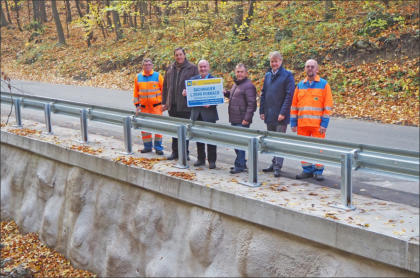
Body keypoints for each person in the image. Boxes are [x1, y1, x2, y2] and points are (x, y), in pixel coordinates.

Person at [290, 59, 333, 181]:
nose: (310, 68)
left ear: (317, 69)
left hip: (317, 125)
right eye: (307, 66)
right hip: (302, 125)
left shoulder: (324, 85)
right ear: (305, 69)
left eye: (312, 66)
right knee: (303, 149)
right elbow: (294, 106)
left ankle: (318, 171)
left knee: (319, 149)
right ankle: (307, 170)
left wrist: (324, 124)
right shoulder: (300, 85)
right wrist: (293, 123)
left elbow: (327, 107)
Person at [259, 51, 295, 177]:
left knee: (279, 141)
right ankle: (273, 163)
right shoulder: (268, 75)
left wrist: (283, 112)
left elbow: (289, 95)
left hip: (280, 115)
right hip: (269, 113)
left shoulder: (287, 75)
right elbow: (263, 93)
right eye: (272, 61)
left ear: (280, 61)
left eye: (276, 61)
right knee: (272, 141)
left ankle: (278, 166)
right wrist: (262, 110)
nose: (274, 63)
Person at [162, 47, 199, 160]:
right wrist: (164, 102)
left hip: (185, 106)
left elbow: (197, 84)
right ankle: (175, 153)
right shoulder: (170, 68)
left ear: (184, 55)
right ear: (174, 56)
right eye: (176, 55)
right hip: (172, 105)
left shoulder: (192, 68)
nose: (179, 57)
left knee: (184, 130)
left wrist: (190, 92)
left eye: (180, 54)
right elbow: (165, 87)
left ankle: (184, 153)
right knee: (175, 130)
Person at [182, 60, 218, 169]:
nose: (203, 69)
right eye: (201, 67)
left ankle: (212, 161)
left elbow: (217, 98)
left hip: (209, 114)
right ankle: (201, 159)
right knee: (198, 138)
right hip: (196, 114)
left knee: (210, 138)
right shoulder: (193, 80)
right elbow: (190, 97)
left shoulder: (214, 81)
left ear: (209, 67)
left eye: (204, 67)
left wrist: (211, 104)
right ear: (198, 68)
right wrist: (185, 94)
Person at [224, 63, 257, 174]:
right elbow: (235, 97)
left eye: (241, 72)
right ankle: (241, 163)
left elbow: (252, 104)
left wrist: (247, 118)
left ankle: (239, 165)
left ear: (246, 73)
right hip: (234, 118)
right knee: (236, 143)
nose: (239, 74)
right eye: (237, 72)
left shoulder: (249, 86)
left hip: (242, 119)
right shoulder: (236, 84)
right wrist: (226, 93)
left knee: (240, 143)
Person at [133, 58, 164, 155]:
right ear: (142, 66)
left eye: (149, 64)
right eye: (145, 65)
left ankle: (158, 148)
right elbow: (135, 93)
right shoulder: (138, 77)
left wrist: (164, 104)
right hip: (144, 108)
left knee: (158, 128)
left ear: (152, 66)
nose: (147, 66)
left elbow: (164, 90)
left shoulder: (158, 76)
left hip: (156, 107)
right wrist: (137, 106)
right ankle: (147, 147)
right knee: (145, 129)